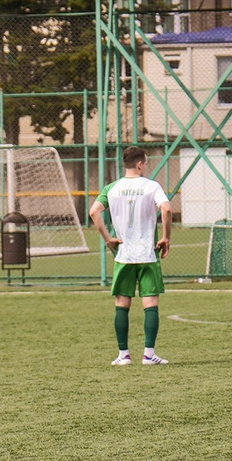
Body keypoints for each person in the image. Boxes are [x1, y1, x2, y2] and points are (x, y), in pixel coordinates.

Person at [92, 146, 173, 366]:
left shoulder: (112, 188)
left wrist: (108, 238)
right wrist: (166, 237)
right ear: (140, 164)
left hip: (124, 254)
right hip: (148, 253)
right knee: (151, 303)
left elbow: (94, 211)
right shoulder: (151, 186)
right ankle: (148, 354)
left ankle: (124, 355)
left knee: (122, 304)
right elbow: (166, 209)